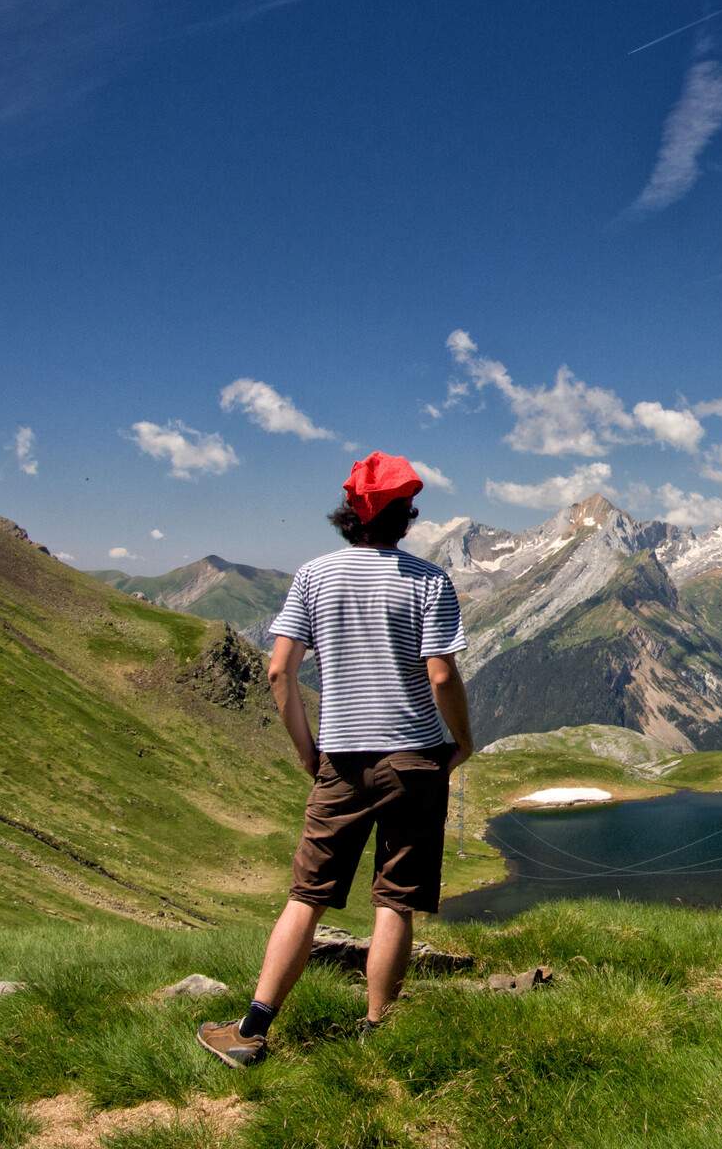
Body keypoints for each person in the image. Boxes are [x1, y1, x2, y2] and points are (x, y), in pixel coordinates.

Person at [198, 451, 473, 1068]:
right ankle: (378, 1032)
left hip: (341, 758)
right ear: (407, 515)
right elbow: (441, 673)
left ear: (350, 513)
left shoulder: (313, 576)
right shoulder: (430, 580)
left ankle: (251, 1030)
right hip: (416, 758)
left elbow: (279, 671)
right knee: (395, 899)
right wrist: (464, 739)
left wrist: (308, 752)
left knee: (308, 894)